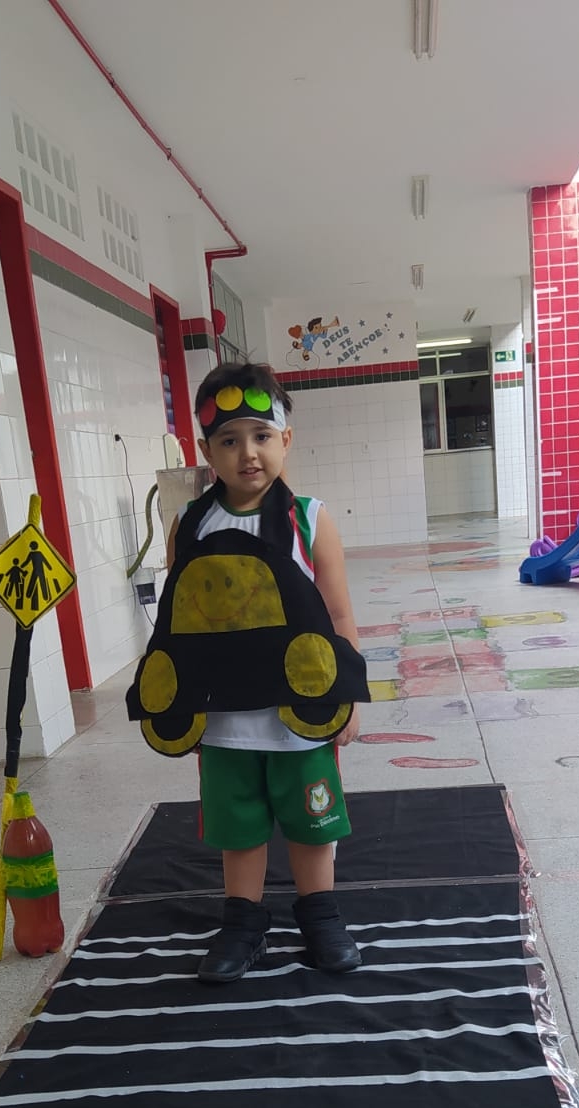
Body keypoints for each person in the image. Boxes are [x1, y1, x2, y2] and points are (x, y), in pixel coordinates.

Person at [154, 361, 367, 984]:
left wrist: (348, 696)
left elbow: (337, 613)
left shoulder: (310, 518)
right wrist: (173, 700)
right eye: (229, 440)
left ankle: (320, 914)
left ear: (286, 441)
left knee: (311, 818)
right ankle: (243, 923)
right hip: (223, 717)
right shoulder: (190, 524)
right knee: (238, 825)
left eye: (261, 436)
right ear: (206, 452)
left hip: (300, 711)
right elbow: (178, 620)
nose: (247, 453)